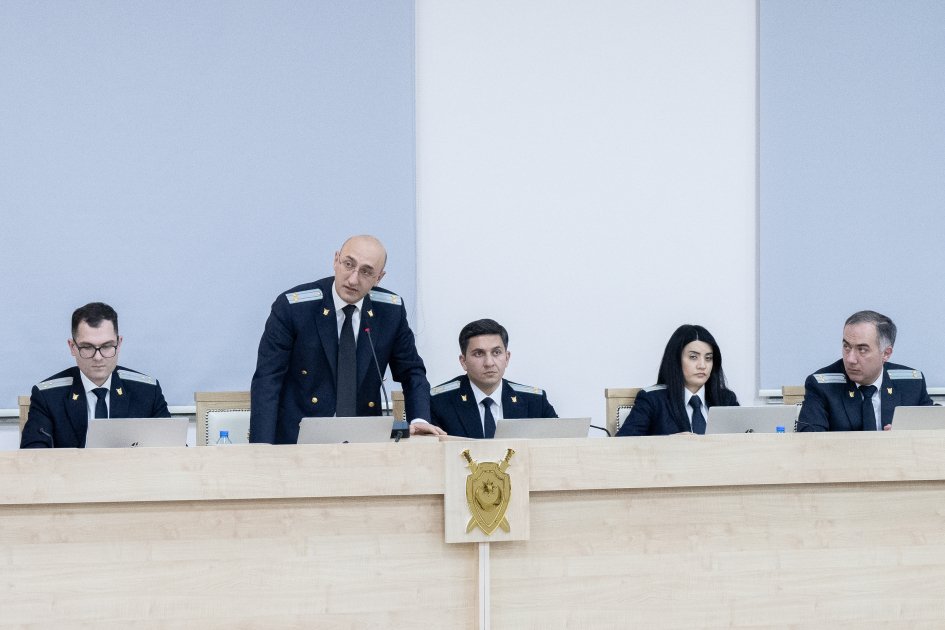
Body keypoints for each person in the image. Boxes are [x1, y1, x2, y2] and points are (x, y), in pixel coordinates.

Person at [250, 235, 442, 443]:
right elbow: (268, 379)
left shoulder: (390, 311)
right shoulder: (294, 308)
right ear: (336, 261)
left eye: (366, 272)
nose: (353, 280)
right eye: (349, 264)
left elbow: (412, 372)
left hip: (364, 440)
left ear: (379, 278)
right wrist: (261, 447)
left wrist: (419, 418)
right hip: (298, 438)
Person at [20, 302, 171, 448]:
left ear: (119, 344)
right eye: (87, 347)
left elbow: (173, 449)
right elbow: (33, 455)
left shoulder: (147, 392)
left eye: (107, 346)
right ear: (72, 347)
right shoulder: (48, 396)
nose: (98, 357)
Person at [796, 310, 932, 432]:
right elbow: (809, 441)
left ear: (886, 353)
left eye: (862, 350)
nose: (850, 359)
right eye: (846, 347)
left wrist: (905, 438)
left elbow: (935, 429)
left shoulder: (911, 384)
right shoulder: (822, 386)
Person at [430, 318, 557, 438]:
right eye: (478, 354)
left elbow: (559, 443)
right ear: (463, 361)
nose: (489, 363)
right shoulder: (438, 402)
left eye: (496, 352)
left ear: (507, 358)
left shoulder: (534, 401)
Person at [617, 324, 738, 436]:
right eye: (693, 357)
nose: (702, 365)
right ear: (676, 360)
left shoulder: (726, 400)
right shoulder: (653, 400)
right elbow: (622, 444)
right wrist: (669, 443)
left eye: (708, 358)